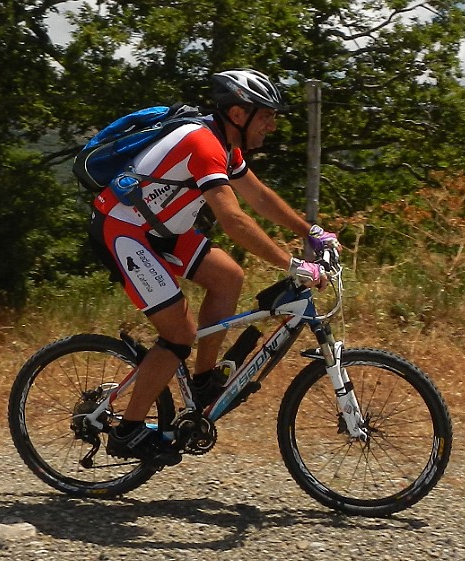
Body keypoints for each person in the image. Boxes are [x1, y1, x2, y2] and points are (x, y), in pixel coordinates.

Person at [87, 69, 338, 464]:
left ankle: (203, 382)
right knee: (179, 333)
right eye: (267, 115)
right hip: (124, 230)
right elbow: (233, 218)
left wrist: (313, 232)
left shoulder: (225, 145)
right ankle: (128, 431)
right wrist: (291, 264)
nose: (272, 125)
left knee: (228, 277)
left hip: (162, 228)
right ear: (239, 113)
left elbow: (259, 196)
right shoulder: (203, 144)